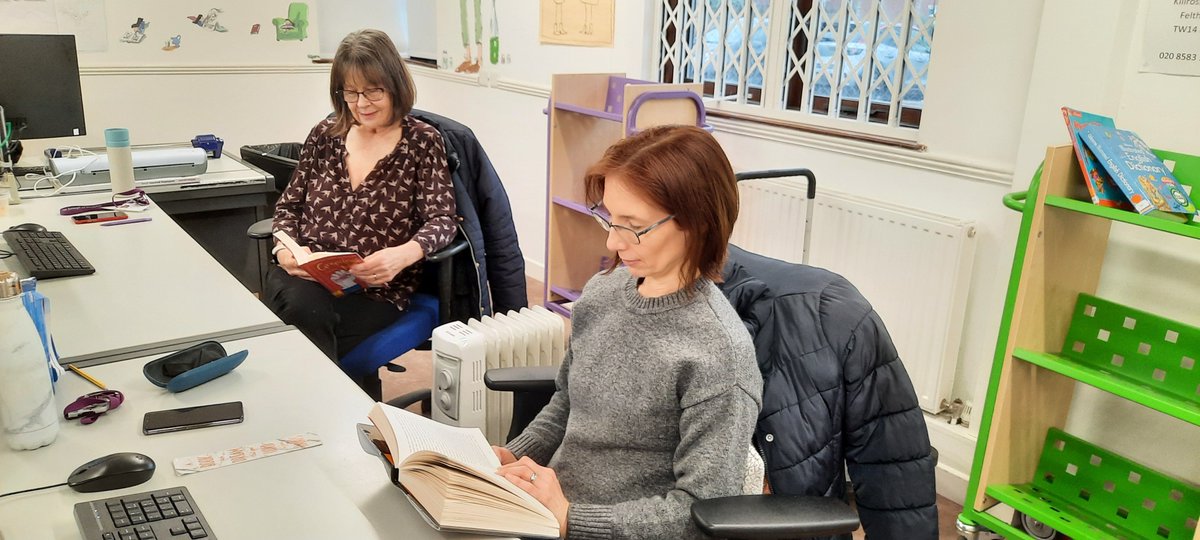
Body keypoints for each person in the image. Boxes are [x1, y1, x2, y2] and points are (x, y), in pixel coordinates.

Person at [493, 125, 763, 539]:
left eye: (633, 226)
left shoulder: (718, 355)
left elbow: (702, 512)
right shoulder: (603, 292)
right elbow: (568, 402)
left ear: (697, 223)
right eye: (609, 218)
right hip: (549, 512)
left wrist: (572, 519)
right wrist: (513, 456)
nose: (613, 243)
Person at [266, 29, 457, 367]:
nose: (362, 104)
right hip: (307, 277)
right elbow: (288, 207)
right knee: (303, 312)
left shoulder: (422, 142)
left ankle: (312, 395)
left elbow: (443, 220)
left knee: (295, 336)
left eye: (373, 91)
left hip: (376, 288)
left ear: (395, 85)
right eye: (351, 93)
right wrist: (285, 252)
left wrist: (403, 255)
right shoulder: (325, 135)